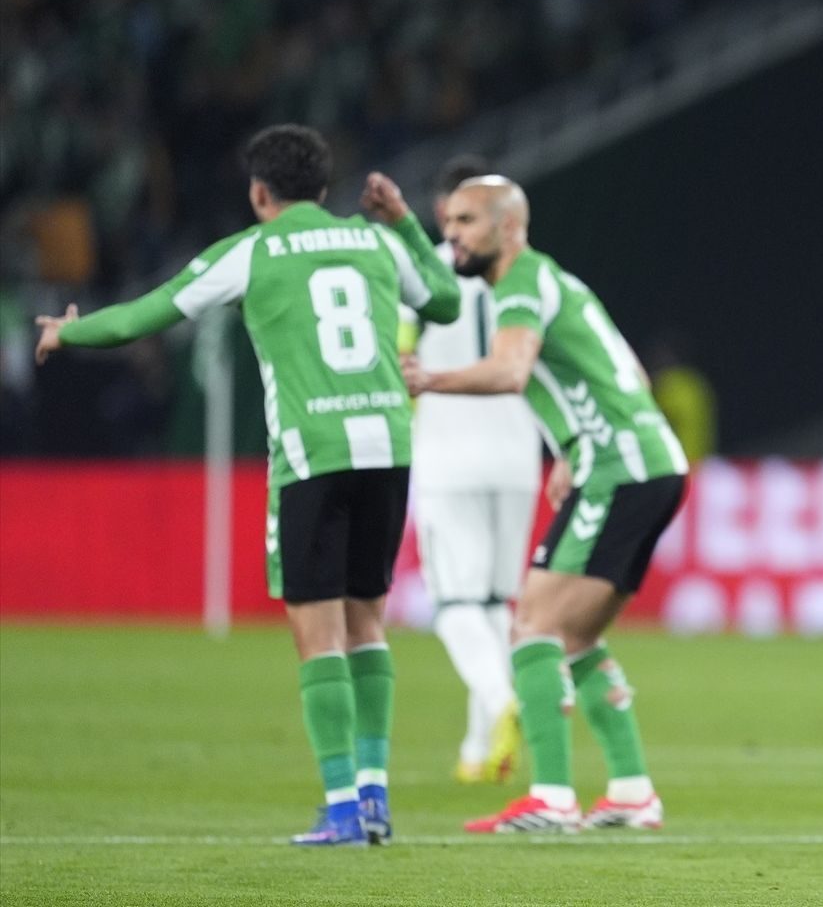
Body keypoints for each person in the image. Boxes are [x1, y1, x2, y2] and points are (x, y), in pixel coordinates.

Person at [34, 125, 460, 846]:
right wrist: (409, 225)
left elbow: (146, 315)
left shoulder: (251, 250)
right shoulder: (377, 243)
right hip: (388, 446)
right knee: (367, 625)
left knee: (316, 632)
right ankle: (375, 793)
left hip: (313, 451)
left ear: (260, 193)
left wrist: (67, 332)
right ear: (323, 189)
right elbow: (445, 302)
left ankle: (341, 808)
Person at [404, 175, 690, 833]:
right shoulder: (557, 280)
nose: (452, 237)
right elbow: (628, 378)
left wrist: (430, 378)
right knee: (578, 635)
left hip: (620, 470)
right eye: (447, 225)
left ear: (507, 228)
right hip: (643, 464)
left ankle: (553, 798)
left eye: (466, 223)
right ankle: (631, 790)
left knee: (531, 624)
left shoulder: (523, 281)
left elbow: (509, 370)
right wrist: (570, 447)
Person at [402, 154, 543, 785]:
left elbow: (399, 361)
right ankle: (478, 745)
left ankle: (500, 701)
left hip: (448, 452)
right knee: (493, 601)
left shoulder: (425, 268)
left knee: (456, 602)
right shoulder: (526, 271)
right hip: (518, 452)